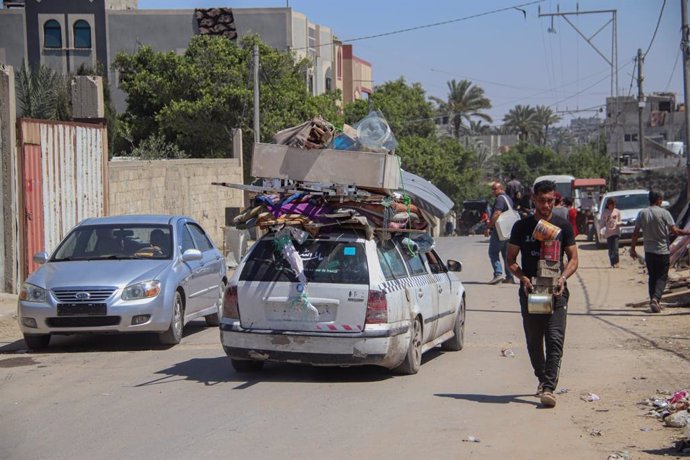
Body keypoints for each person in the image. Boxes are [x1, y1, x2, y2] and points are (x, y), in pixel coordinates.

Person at [506, 180, 578, 408]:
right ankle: (541, 378)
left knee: (555, 338)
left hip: (556, 291)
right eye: (542, 200)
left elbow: (574, 259)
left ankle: (549, 388)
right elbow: (510, 260)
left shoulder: (563, 226)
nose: (546, 205)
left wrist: (563, 278)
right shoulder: (522, 227)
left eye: (551, 201)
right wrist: (524, 279)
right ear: (534, 199)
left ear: (555, 200)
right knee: (534, 342)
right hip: (532, 291)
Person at [629, 191, 690, 313]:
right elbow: (675, 231)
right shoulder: (664, 213)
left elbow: (636, 232)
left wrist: (633, 248)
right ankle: (656, 299)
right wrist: (688, 232)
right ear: (658, 200)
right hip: (662, 251)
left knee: (652, 276)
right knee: (662, 277)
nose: (662, 201)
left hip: (649, 252)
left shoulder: (642, 213)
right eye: (661, 199)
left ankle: (653, 300)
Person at [485, 181, 516, 284]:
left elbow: (497, 213)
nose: (493, 191)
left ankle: (498, 274)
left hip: (500, 230)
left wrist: (489, 226)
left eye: (495, 189)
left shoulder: (500, 199)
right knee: (506, 254)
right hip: (509, 230)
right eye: (492, 189)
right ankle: (509, 277)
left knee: (493, 252)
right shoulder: (508, 199)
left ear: (501, 189)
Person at [600, 198, 621, 268]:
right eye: (611, 205)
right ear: (608, 205)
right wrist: (602, 231)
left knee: (615, 249)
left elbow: (620, 221)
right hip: (608, 233)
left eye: (614, 205)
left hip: (616, 232)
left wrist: (618, 223)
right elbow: (602, 223)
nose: (613, 206)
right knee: (610, 249)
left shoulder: (617, 212)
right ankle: (612, 263)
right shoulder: (605, 213)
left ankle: (617, 262)